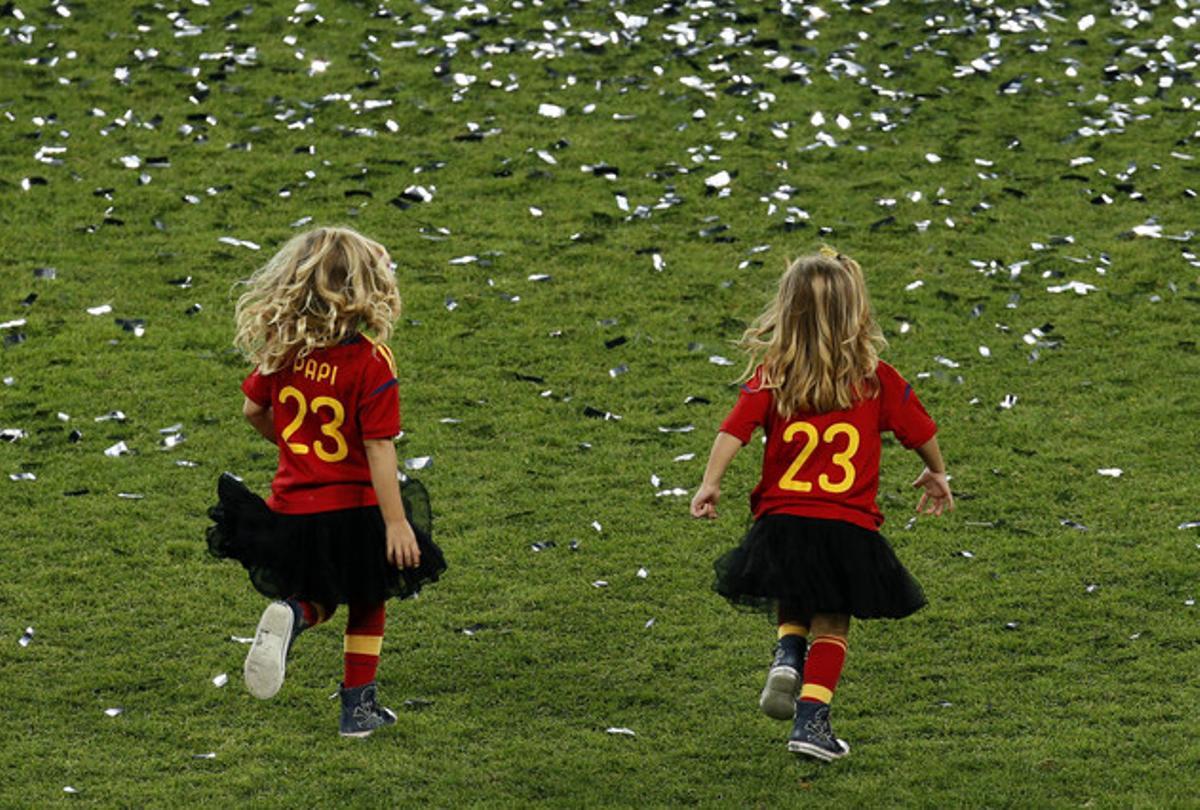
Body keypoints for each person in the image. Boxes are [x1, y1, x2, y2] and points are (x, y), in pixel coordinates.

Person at [690, 248, 953, 761]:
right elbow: (920, 431)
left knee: (795, 586)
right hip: (846, 525)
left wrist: (710, 484)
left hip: (782, 519)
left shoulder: (774, 374)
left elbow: (734, 430)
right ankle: (811, 724)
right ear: (856, 311)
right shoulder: (878, 379)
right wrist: (937, 472)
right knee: (832, 620)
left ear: (788, 311)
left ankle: (788, 652)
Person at [206, 226, 446, 738]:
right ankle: (357, 708)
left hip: (292, 509)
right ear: (362, 289)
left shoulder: (283, 350)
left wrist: (294, 446)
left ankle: (292, 615)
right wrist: (397, 522)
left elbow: (253, 409)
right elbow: (380, 447)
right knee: (367, 600)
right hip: (354, 509)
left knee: (319, 593)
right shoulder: (370, 360)